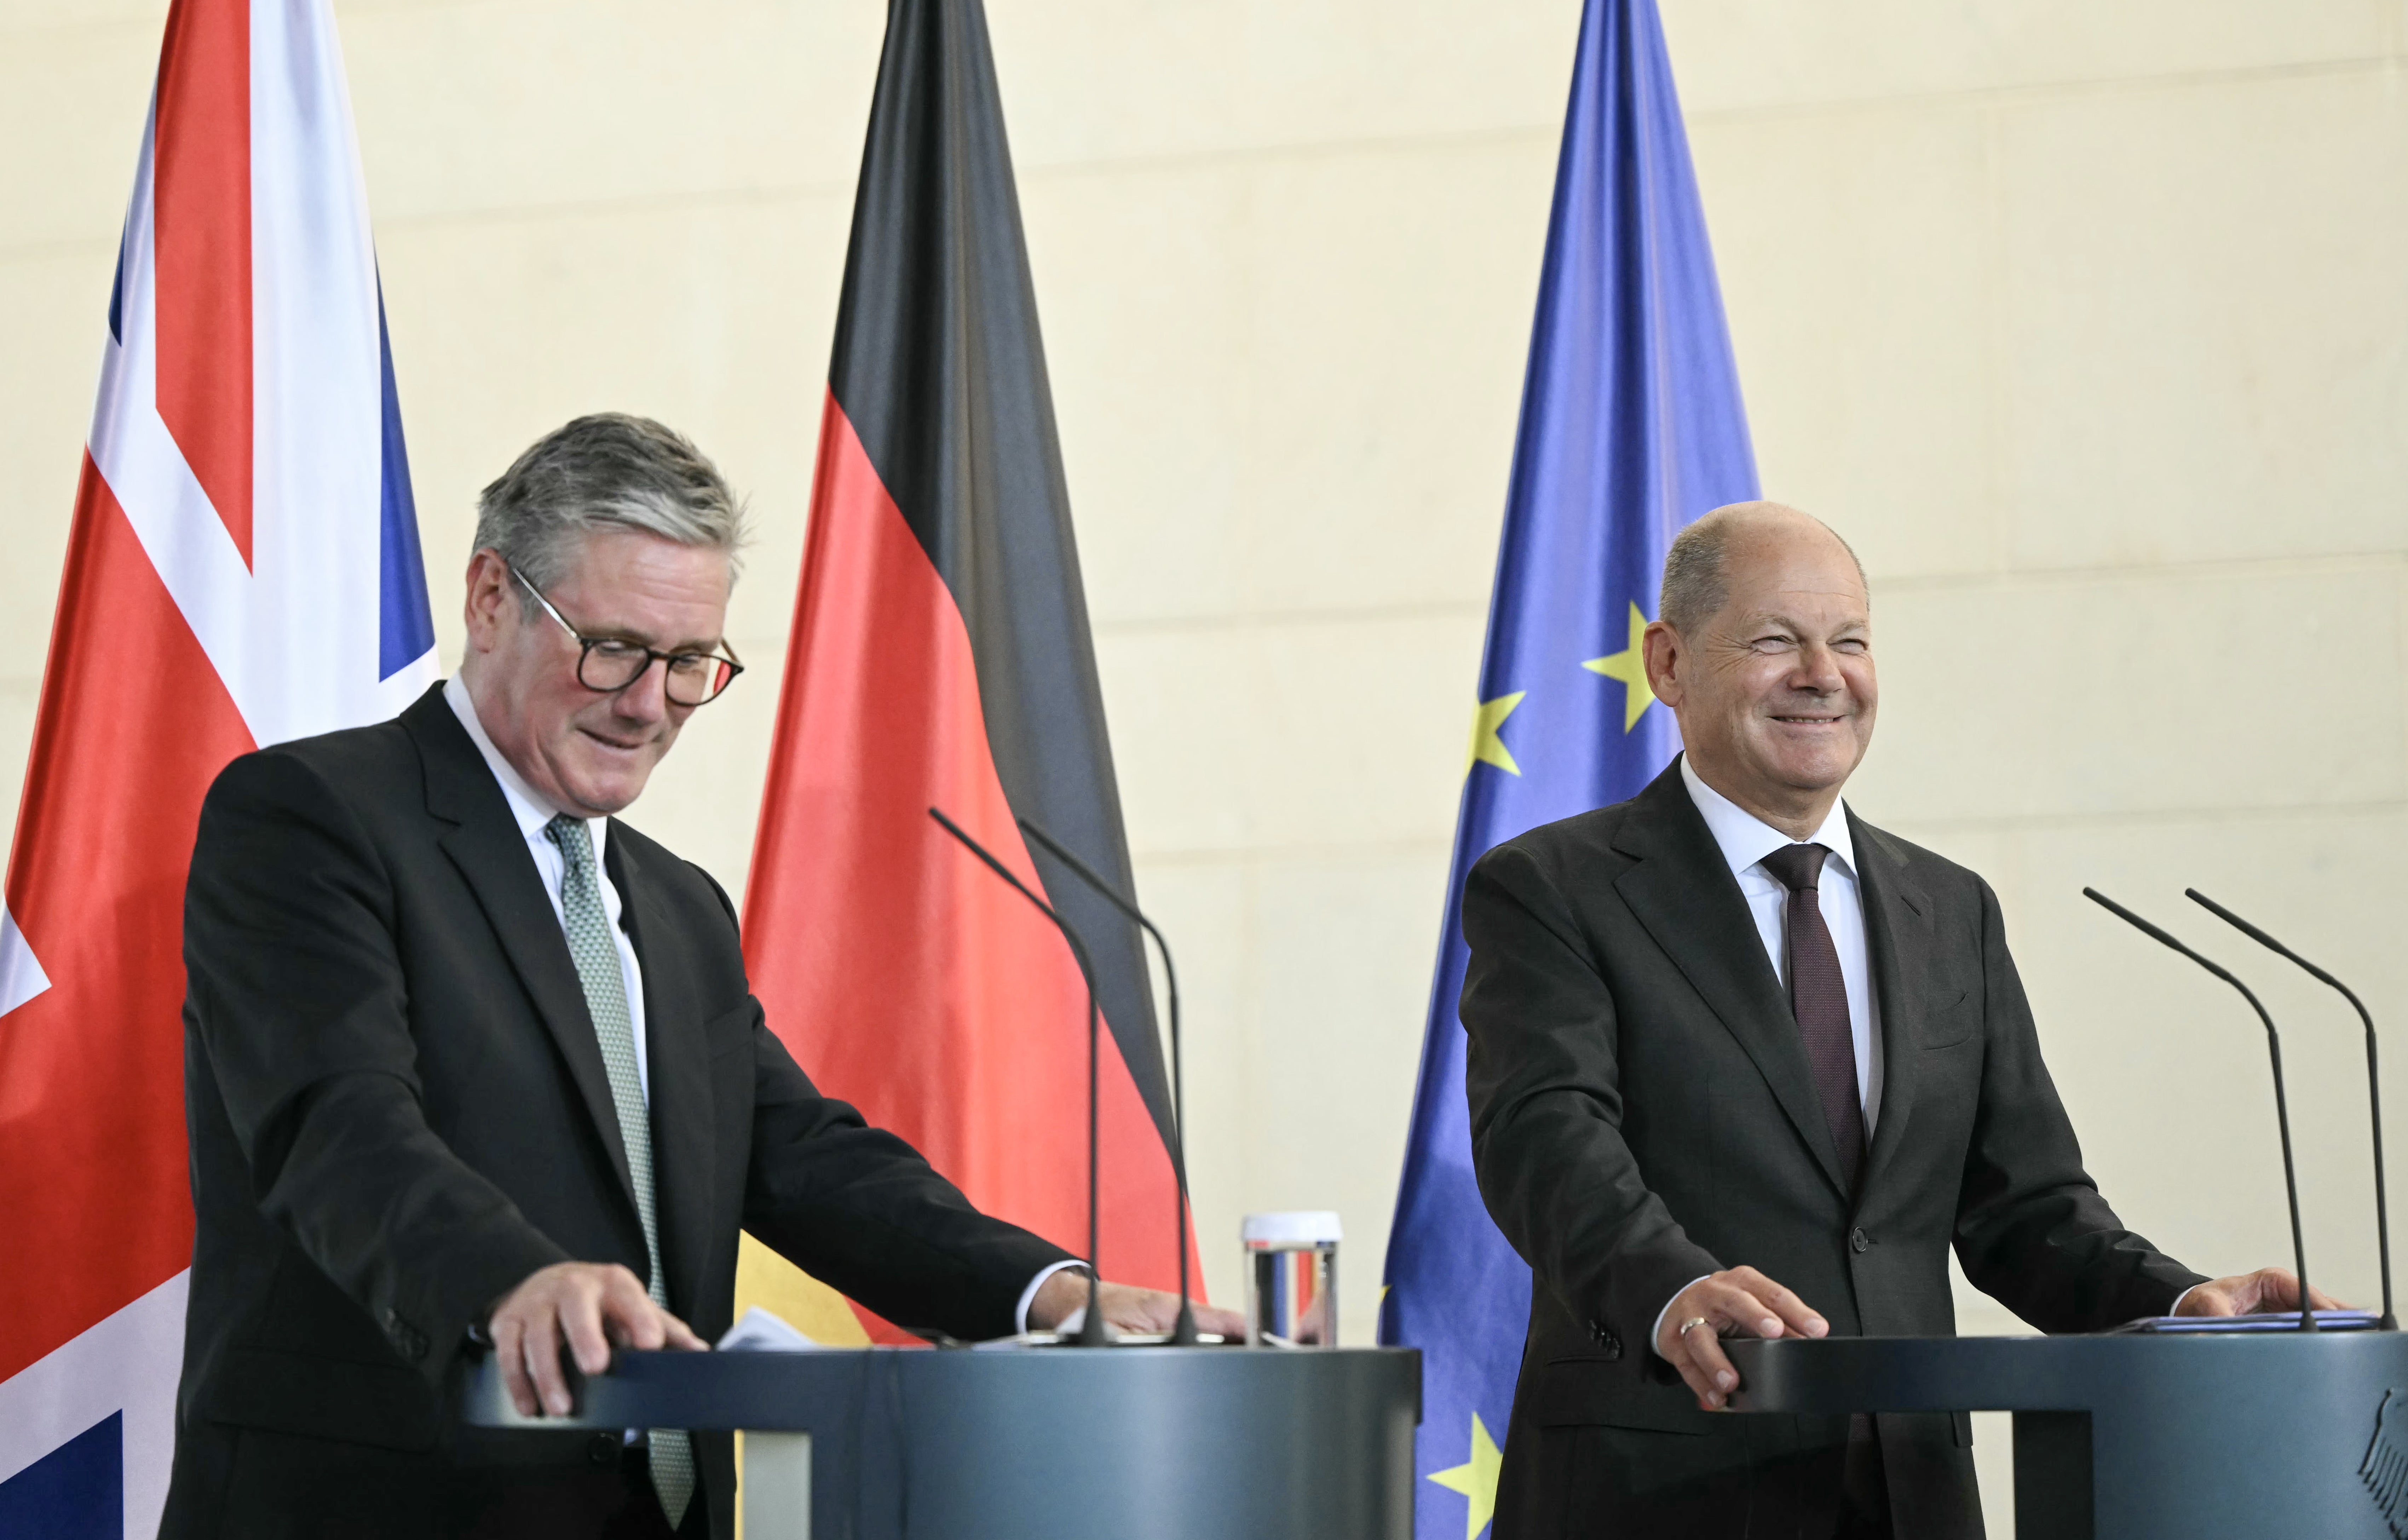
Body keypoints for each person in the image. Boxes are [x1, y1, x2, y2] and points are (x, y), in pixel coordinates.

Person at [162, 414, 1205, 1539]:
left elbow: (802, 1158)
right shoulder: (312, 821)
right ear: (489, 600)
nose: (650, 705)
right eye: (611, 647)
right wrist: (513, 1280)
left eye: (690, 663)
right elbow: (341, 1126)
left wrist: (1047, 1295)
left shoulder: (677, 906)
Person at [1463, 501, 2329, 1540]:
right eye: (1776, 640)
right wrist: (1673, 1288)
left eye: (1851, 642)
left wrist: (2184, 1310)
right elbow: (1544, 1141)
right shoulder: (1556, 888)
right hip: (1659, 1482)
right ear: (1670, 662)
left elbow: (2029, 1214)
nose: (1823, 674)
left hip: (1911, 1491)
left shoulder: (1949, 910)